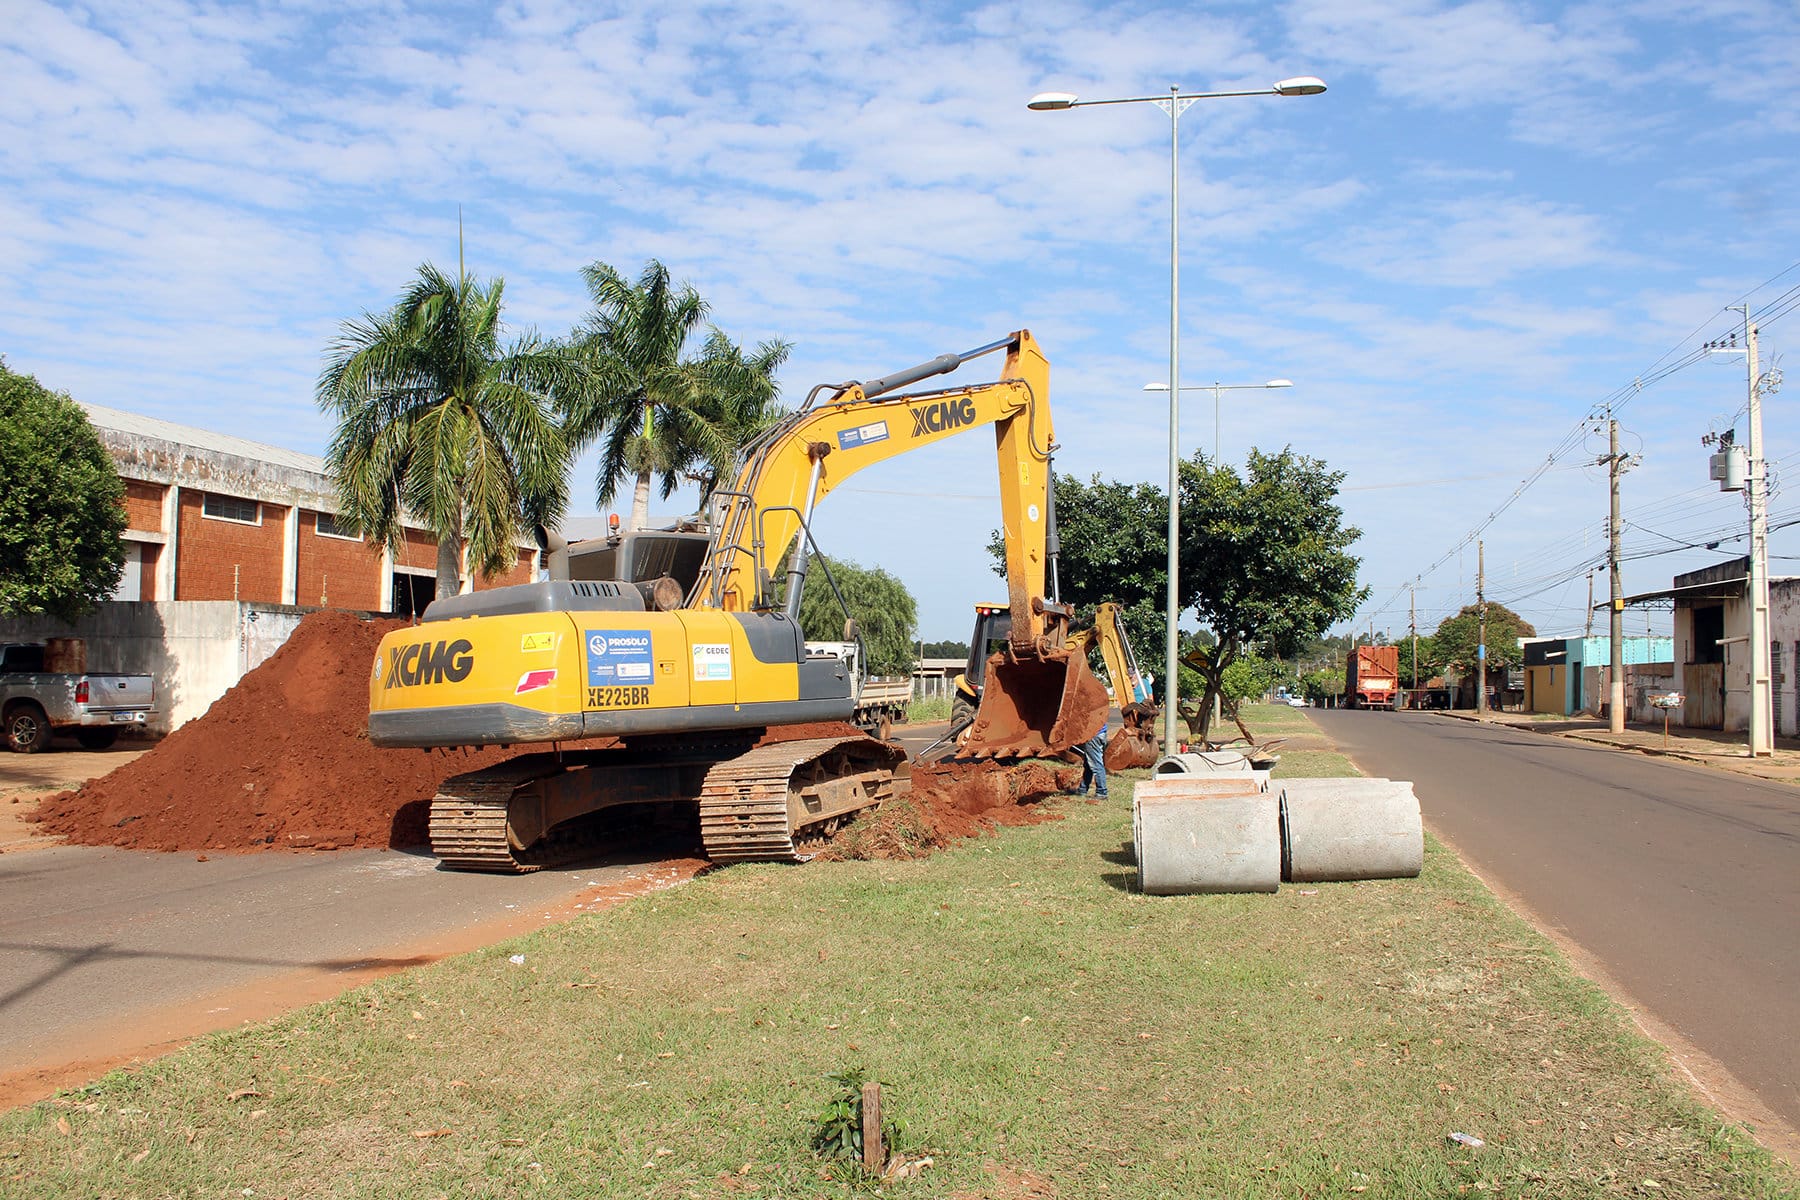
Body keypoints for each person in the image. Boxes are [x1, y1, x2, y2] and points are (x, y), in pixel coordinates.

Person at [1073, 721, 1108, 798]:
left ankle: (1102, 792)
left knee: (1096, 765)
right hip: (1100, 733)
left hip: (1093, 735)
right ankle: (1082, 789)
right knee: (1088, 764)